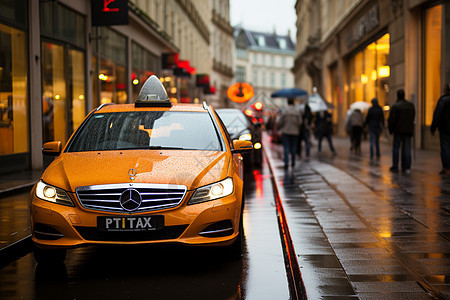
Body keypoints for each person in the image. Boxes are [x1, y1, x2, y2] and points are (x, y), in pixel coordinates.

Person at [388, 89, 415, 173]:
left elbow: (391, 119)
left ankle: (395, 166)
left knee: (396, 147)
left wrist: (391, 129)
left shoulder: (396, 106)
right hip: (407, 130)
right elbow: (413, 117)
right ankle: (406, 166)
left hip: (398, 130)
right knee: (406, 148)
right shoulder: (410, 105)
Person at [277, 98, 303, 168]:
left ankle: (286, 162)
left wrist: (280, 127)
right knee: (294, 147)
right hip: (295, 132)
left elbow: (280, 121)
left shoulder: (285, 111)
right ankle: (293, 161)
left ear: (288, 103)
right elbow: (300, 122)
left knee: (286, 147)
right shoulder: (297, 111)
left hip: (286, 131)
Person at [431, 83, 450, 175]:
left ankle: (446, 167)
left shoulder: (443, 100)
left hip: (445, 128)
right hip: (445, 127)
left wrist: (433, 127)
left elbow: (437, 114)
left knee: (445, 147)